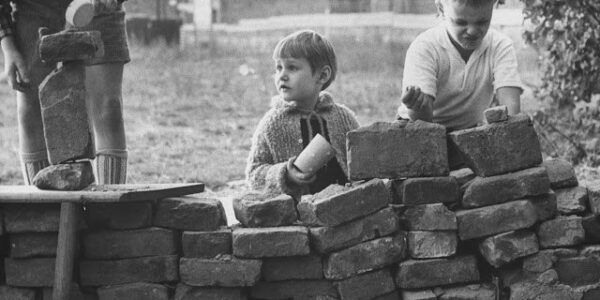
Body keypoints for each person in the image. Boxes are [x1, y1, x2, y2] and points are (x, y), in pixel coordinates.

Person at [0, 0, 130, 184]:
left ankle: (109, 208)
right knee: (31, 112)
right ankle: (43, 210)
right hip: (32, 9)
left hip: (94, 5)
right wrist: (8, 47)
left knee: (109, 108)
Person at [246, 30, 360, 198]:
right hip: (297, 215)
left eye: (292, 67)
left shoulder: (343, 118)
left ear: (322, 75)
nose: (282, 76)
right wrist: (286, 174)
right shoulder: (272, 124)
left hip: (343, 207)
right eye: (278, 68)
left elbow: (361, 161)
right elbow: (254, 173)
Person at [398, 0, 522, 132]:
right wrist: (418, 106)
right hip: (416, 128)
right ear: (441, 9)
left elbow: (511, 113)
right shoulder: (425, 47)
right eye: (461, 22)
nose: (472, 31)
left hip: (467, 131)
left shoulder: (500, 47)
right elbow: (422, 124)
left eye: (482, 22)